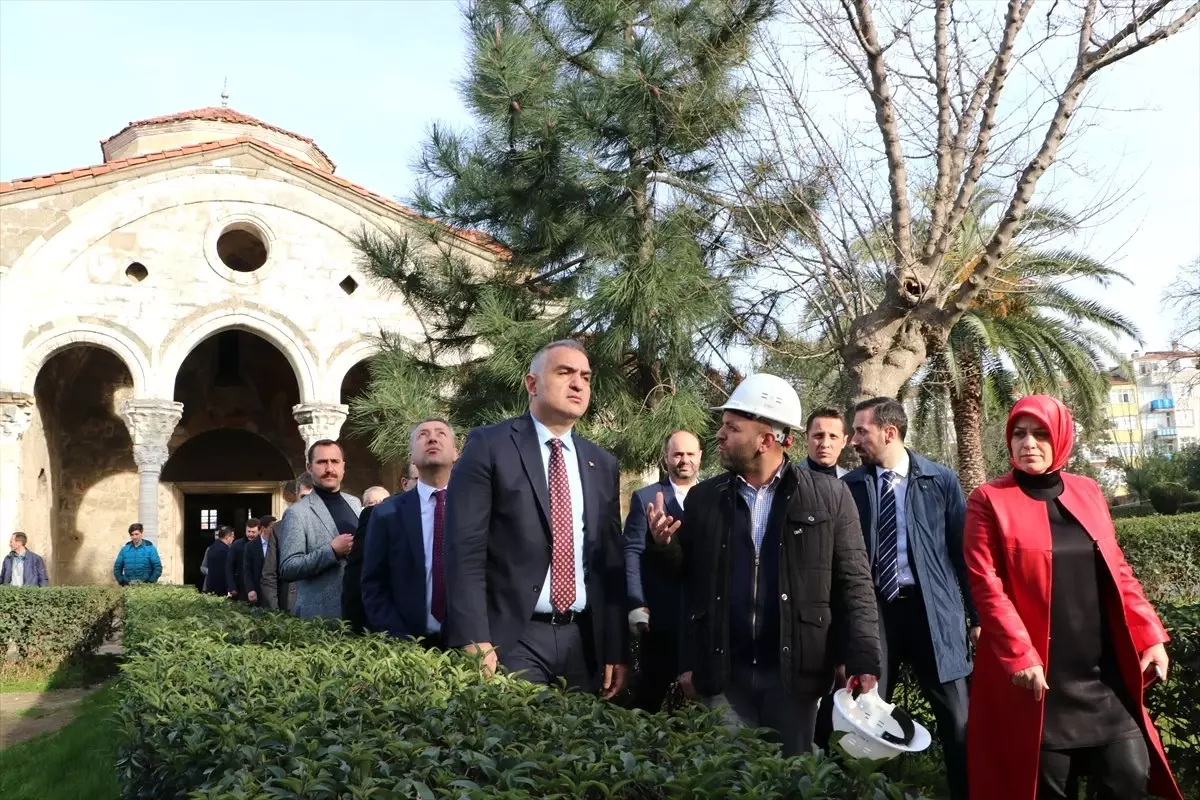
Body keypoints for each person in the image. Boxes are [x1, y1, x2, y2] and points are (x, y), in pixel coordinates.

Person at [646, 374, 880, 757]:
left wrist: (862, 660)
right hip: (723, 678)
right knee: (730, 780)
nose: (719, 436)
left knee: (791, 779)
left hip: (796, 679)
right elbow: (685, 581)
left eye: (731, 428)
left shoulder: (829, 497)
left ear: (765, 440)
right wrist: (664, 545)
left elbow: (854, 583)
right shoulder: (706, 499)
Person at [964, 395, 1181, 800]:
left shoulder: (1088, 491)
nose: (1028, 442)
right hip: (1039, 683)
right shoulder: (988, 499)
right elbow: (986, 583)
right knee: (1048, 790)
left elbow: (1118, 570)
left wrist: (1150, 634)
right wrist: (1019, 654)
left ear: (1061, 436)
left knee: (1130, 778)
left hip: (1103, 675)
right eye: (1019, 433)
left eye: (1041, 433)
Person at [445, 340, 628, 697]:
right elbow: (463, 550)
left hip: (584, 641)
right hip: (512, 638)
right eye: (565, 373)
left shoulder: (602, 463)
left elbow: (610, 564)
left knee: (584, 748)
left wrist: (616, 647)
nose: (578, 384)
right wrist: (473, 637)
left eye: (586, 377)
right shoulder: (490, 445)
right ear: (532, 384)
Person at [843, 397, 976, 800]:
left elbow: (963, 552)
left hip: (932, 614)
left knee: (957, 720)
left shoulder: (940, 480)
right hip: (874, 615)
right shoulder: (848, 487)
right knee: (864, 716)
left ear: (889, 432)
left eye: (861, 431)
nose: (853, 441)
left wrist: (975, 616)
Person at [622, 430, 701, 712]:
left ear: (700, 457)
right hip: (661, 617)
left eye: (690, 454)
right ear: (666, 457)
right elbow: (631, 551)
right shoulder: (645, 499)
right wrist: (636, 603)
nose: (684, 460)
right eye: (678, 454)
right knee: (651, 697)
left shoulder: (713, 497)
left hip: (702, 619)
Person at [362, 418, 459, 645]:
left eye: (441, 434)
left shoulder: (477, 507)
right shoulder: (387, 513)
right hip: (406, 644)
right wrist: (398, 637)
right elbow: (373, 583)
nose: (432, 438)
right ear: (412, 458)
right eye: (423, 434)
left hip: (468, 644)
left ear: (455, 453)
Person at [278, 442, 362, 619]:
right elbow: (288, 568)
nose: (329, 468)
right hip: (321, 619)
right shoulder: (297, 513)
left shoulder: (355, 503)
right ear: (309, 467)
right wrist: (331, 551)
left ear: (343, 466)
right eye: (322, 462)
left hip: (361, 612)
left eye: (335, 461)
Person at [263, 472, 312, 611]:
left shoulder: (331, 525)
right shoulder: (279, 529)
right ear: (296, 495)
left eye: (312, 497)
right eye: (304, 497)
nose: (307, 503)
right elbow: (269, 574)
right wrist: (275, 612)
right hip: (289, 606)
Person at [799, 407, 849, 478]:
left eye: (833, 436)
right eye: (819, 436)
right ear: (806, 438)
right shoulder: (788, 480)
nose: (825, 444)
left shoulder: (852, 483)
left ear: (844, 441)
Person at [243, 515, 275, 606]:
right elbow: (247, 570)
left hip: (275, 590)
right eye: (272, 527)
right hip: (258, 590)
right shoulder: (250, 546)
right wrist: (250, 589)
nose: (275, 530)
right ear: (263, 528)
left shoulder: (278, 544)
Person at [225, 518, 260, 601]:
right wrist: (232, 586)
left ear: (259, 531)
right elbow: (229, 567)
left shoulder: (264, 545)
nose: (250, 534)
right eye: (249, 531)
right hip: (241, 587)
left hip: (259, 586)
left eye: (253, 532)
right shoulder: (237, 545)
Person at [203, 526, 235, 595]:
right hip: (221, 588)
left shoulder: (211, 548)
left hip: (211, 586)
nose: (233, 539)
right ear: (227, 537)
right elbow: (225, 570)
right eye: (232, 537)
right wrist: (230, 587)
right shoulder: (224, 550)